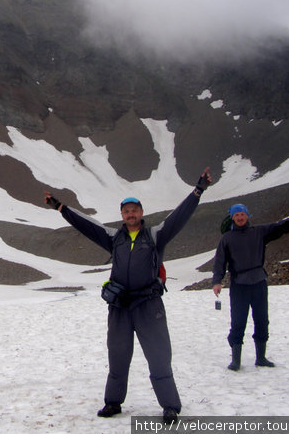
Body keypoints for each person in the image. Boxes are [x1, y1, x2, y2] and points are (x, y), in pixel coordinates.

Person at [44, 167, 212, 424]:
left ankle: (170, 406)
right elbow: (87, 225)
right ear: (122, 215)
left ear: (141, 213)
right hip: (120, 306)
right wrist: (61, 208)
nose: (130, 214)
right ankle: (113, 403)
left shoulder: (155, 236)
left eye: (134, 210)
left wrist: (198, 191)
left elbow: (179, 217)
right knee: (118, 354)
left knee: (158, 355)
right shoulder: (114, 238)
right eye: (126, 211)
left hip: (148, 304)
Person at [212, 203, 289, 371]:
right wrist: (217, 281)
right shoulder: (226, 238)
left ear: (247, 216)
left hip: (259, 283)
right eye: (236, 215)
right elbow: (219, 262)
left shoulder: (259, 232)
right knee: (238, 322)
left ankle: (261, 358)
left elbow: (282, 227)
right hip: (239, 285)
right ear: (232, 218)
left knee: (262, 320)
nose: (240, 217)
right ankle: (236, 360)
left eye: (242, 214)